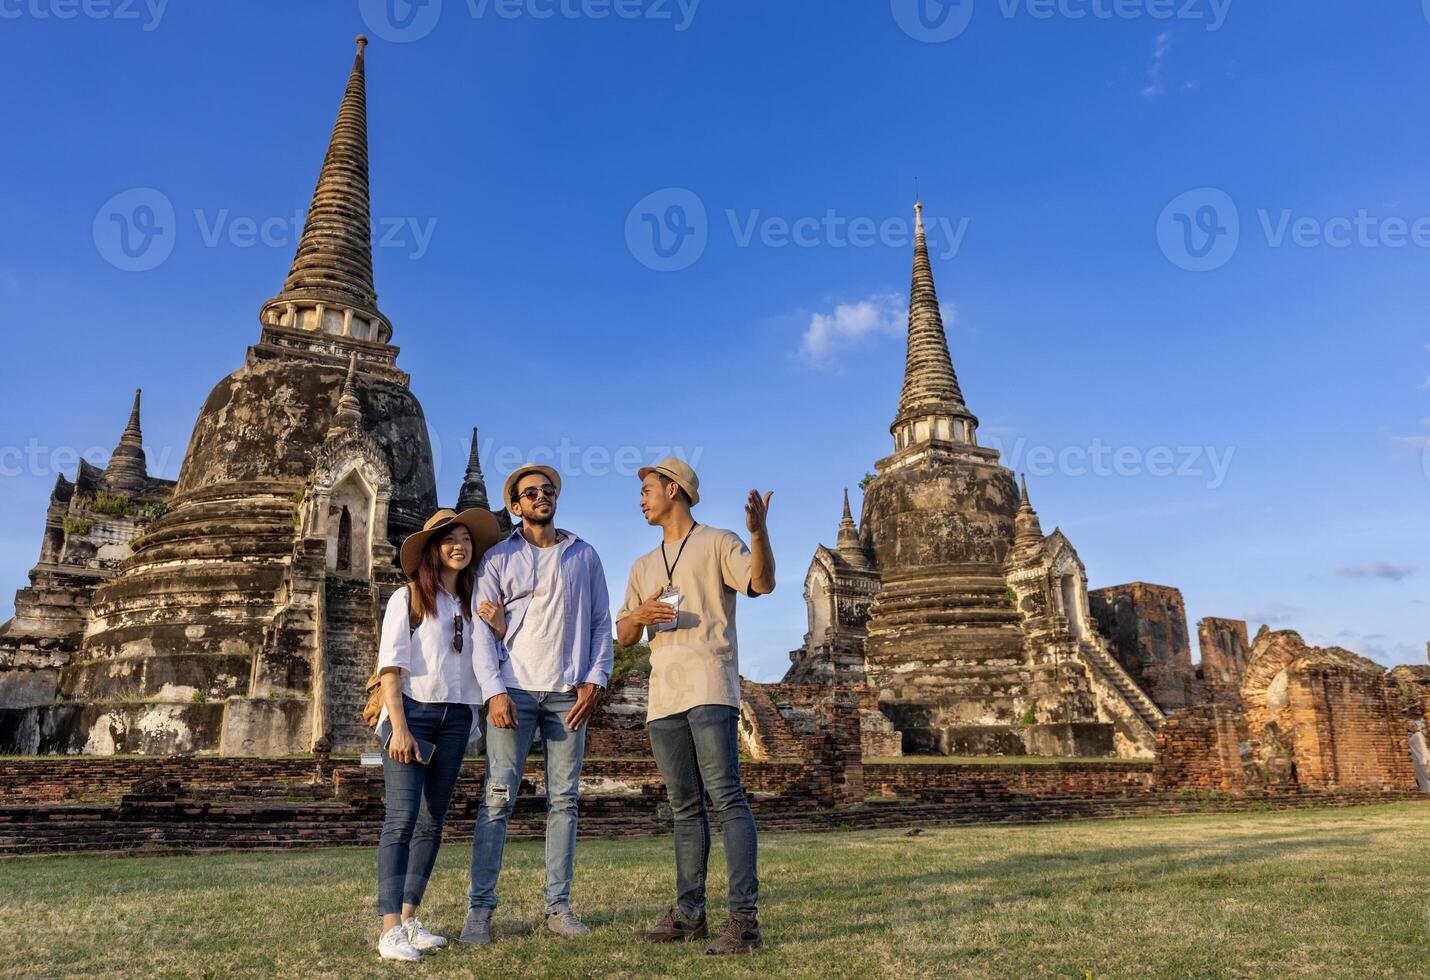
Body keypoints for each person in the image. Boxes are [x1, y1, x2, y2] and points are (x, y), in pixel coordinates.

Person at [616, 457, 775, 956]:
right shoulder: (643, 566)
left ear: (674, 489)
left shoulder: (718, 541)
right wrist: (640, 614)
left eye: (647, 489)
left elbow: (761, 583)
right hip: (663, 695)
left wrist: (759, 533)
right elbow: (623, 637)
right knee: (684, 808)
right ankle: (689, 915)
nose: (641, 498)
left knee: (726, 798)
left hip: (709, 684)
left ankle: (744, 923)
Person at [459, 463, 613, 945]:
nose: (541, 496)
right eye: (531, 493)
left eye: (548, 490)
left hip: (567, 695)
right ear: (516, 506)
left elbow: (600, 624)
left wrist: (596, 680)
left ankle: (558, 907)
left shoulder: (583, 555)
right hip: (514, 693)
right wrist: (494, 691)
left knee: (564, 801)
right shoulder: (498, 560)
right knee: (497, 799)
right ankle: (480, 912)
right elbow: (483, 632)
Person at [374, 507, 501, 962]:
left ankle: (409, 918)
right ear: (432, 549)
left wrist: (499, 624)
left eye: (466, 538)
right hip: (412, 713)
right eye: (449, 539)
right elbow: (391, 668)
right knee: (402, 818)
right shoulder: (407, 598)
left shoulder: (473, 605)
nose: (459, 545)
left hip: (456, 719)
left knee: (431, 823)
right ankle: (389, 930)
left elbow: (491, 661)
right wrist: (400, 728)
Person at [1410, 720, 1430, 793]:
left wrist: (1426, 758)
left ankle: (1427, 792)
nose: (1411, 727)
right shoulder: (1417, 735)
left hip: (1421, 759)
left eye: (1413, 726)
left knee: (1423, 777)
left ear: (1417, 727)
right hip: (1420, 758)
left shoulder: (1417, 735)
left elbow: (1422, 748)